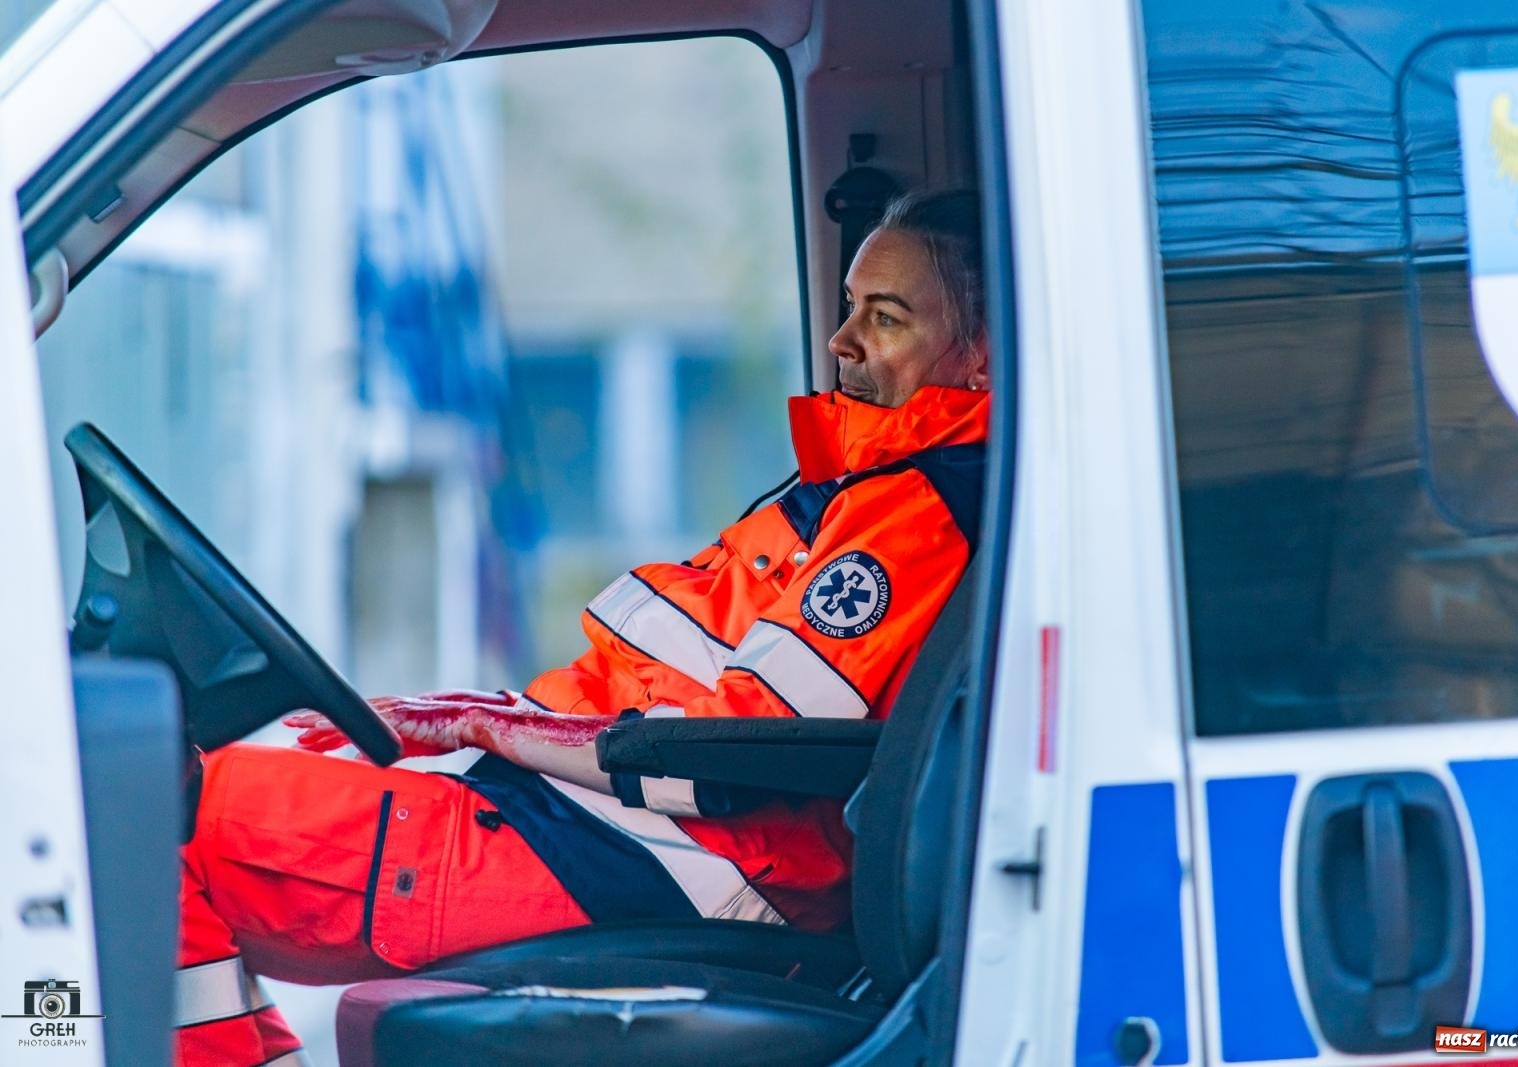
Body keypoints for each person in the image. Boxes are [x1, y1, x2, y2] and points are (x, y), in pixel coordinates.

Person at [174, 189, 992, 1065]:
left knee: (151, 816)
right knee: (171, 803)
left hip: (665, 856)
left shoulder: (913, 514)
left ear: (982, 355)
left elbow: (741, 746)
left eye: (886, 317)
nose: (841, 341)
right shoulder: (859, 486)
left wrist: (491, 727)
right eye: (850, 307)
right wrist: (488, 719)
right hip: (599, 823)